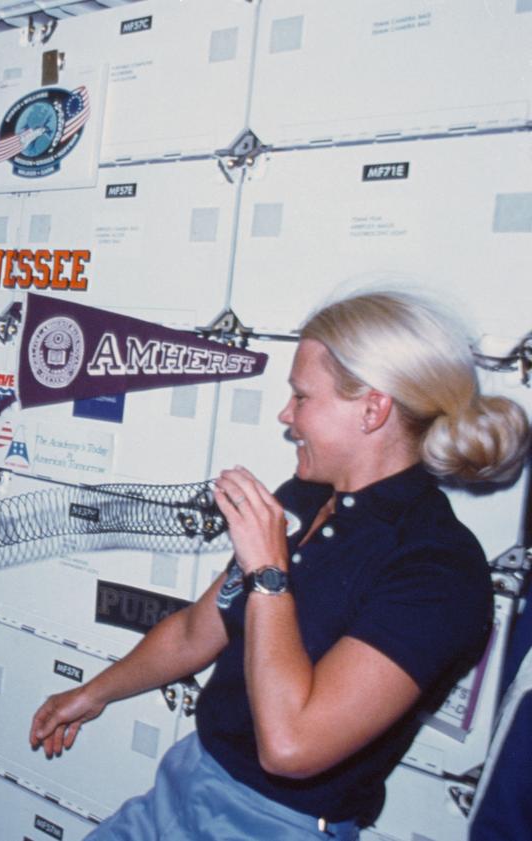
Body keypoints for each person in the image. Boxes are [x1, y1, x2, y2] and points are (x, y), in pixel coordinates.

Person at [28, 290, 529, 839]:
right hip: (187, 779)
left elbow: (291, 747)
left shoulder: (440, 570)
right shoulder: (304, 498)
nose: (286, 416)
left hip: (274, 824)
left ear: (373, 408)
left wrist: (270, 574)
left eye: (301, 396)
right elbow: (198, 631)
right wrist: (92, 693)